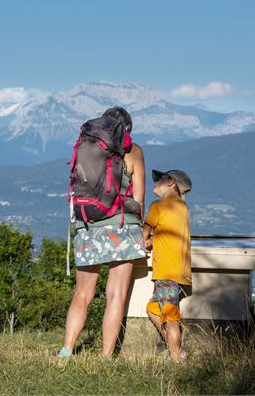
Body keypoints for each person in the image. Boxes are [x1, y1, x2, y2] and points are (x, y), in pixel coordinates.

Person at [58, 107, 146, 358]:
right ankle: (106, 356)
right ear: (127, 128)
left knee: (82, 293)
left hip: (88, 224)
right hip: (122, 226)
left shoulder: (90, 144)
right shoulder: (134, 151)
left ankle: (67, 350)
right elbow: (138, 199)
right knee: (115, 294)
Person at [142, 169, 192, 360]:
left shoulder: (158, 206)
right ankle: (174, 348)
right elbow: (168, 235)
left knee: (170, 317)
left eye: (159, 178)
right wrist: (153, 241)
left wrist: (145, 241)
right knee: (153, 309)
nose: (155, 181)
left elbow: (142, 236)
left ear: (171, 182)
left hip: (166, 271)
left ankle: (176, 356)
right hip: (180, 270)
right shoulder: (182, 207)